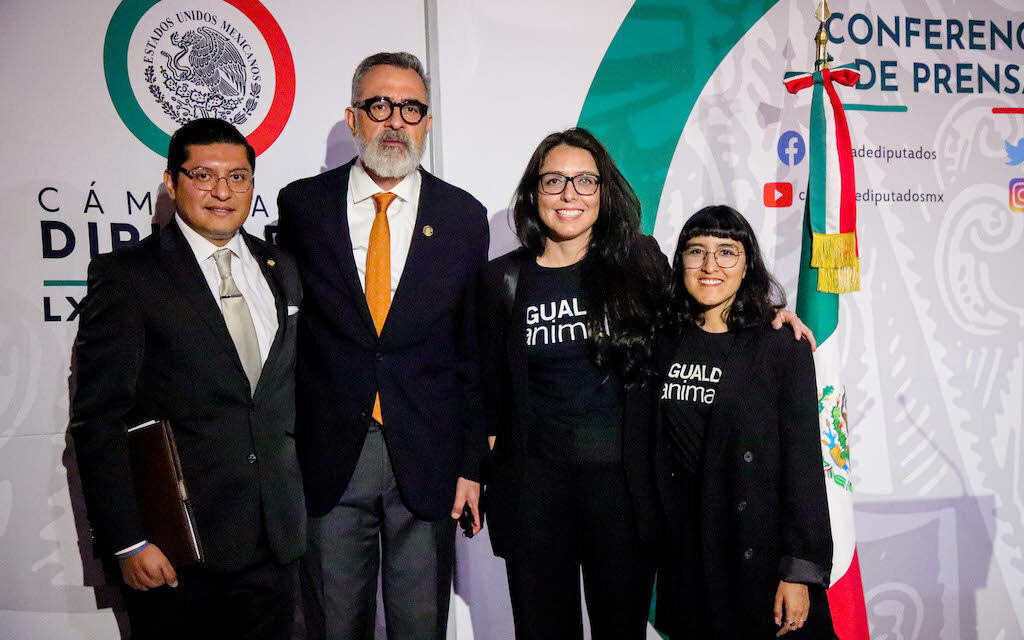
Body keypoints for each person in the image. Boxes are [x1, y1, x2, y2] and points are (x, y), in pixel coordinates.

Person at [276, 51, 489, 639]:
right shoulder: (302, 207)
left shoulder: (464, 216)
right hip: (330, 457)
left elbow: (470, 350)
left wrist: (471, 464)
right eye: (380, 105)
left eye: (411, 108)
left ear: (427, 122)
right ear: (353, 118)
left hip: (427, 457)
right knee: (333, 626)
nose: (395, 120)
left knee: (421, 627)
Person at [70, 118, 306, 639]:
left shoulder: (282, 267)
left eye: (238, 177)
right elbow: (98, 421)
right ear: (172, 181)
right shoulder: (128, 276)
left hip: (276, 545)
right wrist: (129, 541)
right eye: (203, 175)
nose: (222, 191)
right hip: (178, 552)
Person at [478, 128, 669, 639]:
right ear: (533, 193)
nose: (569, 195)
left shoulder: (640, 263)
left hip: (620, 491)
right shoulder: (502, 280)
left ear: (604, 192)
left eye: (585, 181)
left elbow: (696, 327)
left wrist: (770, 316)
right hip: (534, 492)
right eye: (555, 181)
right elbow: (484, 388)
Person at [654, 204, 834, 639]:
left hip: (759, 551)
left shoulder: (779, 347)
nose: (710, 265)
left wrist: (799, 572)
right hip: (688, 554)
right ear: (680, 262)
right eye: (696, 251)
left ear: (747, 262)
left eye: (726, 252)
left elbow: (803, 464)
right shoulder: (660, 341)